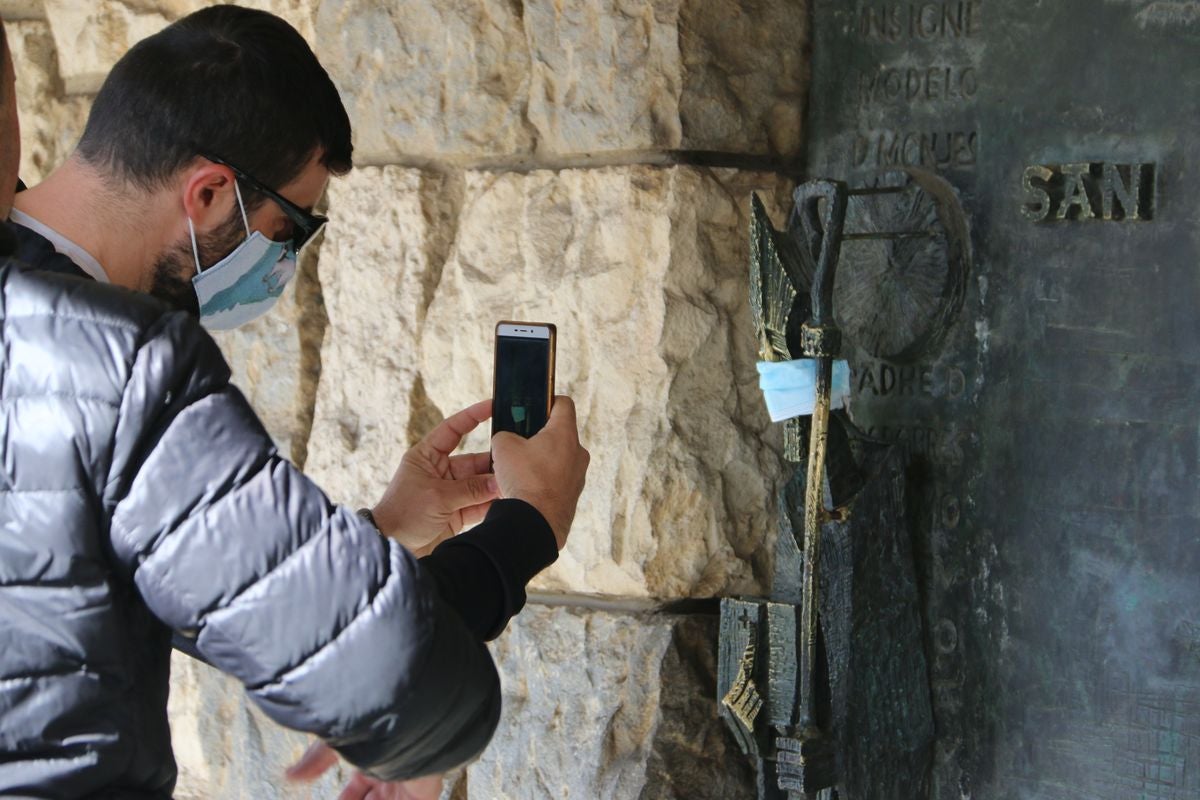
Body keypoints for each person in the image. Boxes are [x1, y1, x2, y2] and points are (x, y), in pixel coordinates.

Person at [0, 6, 589, 799]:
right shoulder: (111, 367)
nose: (283, 264)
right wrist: (529, 526)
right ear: (210, 193)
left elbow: (188, 585)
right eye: (292, 228)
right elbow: (403, 682)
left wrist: (374, 538)